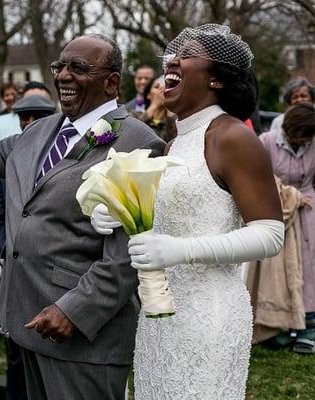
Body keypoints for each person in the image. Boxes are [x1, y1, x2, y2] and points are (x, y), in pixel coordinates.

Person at [0, 35, 164, 400]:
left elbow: (126, 255)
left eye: (78, 68)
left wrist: (74, 311)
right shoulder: (39, 130)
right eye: (60, 66)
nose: (63, 76)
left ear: (112, 82)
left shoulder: (137, 142)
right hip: (27, 321)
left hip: (83, 337)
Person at [92, 24, 284, 399]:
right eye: (172, 55)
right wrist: (119, 214)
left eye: (187, 54)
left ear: (216, 79)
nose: (172, 59)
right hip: (158, 312)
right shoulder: (175, 143)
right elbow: (167, 218)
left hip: (208, 316)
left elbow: (270, 233)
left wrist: (182, 250)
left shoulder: (232, 136)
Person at [0, 94, 57, 400]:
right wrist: (4, 251)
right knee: (15, 349)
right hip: (12, 272)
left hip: (48, 277)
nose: (28, 123)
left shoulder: (62, 161)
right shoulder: (11, 159)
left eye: (36, 117)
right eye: (23, 118)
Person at [255, 103, 315, 353]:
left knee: (309, 268)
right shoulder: (266, 141)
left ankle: (308, 328)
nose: (304, 143)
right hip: (278, 210)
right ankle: (276, 327)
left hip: (309, 211)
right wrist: (290, 195)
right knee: (276, 271)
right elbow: (260, 178)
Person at [131, 76, 177, 142]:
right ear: (148, 95)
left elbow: (176, 140)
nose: (162, 90)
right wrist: (154, 105)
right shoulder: (135, 115)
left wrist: (170, 106)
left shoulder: (174, 119)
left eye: (166, 87)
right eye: (157, 87)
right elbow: (133, 132)